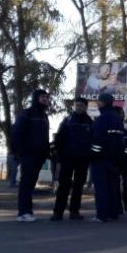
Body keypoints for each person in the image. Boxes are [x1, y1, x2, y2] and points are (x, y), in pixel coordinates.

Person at [50, 97, 93, 221]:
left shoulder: (90, 122)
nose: (78, 107)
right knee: (63, 185)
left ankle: (74, 212)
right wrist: (59, 155)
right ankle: (58, 212)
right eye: (77, 105)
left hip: (83, 159)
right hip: (67, 158)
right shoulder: (67, 120)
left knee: (78, 186)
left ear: (86, 107)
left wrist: (89, 155)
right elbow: (59, 139)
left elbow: (92, 140)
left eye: (81, 105)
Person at [12, 89, 51, 222]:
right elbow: (17, 133)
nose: (45, 99)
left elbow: (44, 136)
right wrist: (18, 151)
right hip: (28, 154)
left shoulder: (44, 116)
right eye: (42, 97)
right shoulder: (26, 114)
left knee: (31, 184)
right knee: (26, 183)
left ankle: (28, 211)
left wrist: (47, 151)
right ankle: (23, 212)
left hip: (40, 155)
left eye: (46, 97)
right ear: (36, 98)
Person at [89, 93, 125, 222]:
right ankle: (112, 213)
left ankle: (101, 214)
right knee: (112, 186)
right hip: (113, 160)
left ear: (103, 103)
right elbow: (120, 141)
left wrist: (93, 154)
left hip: (100, 160)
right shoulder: (117, 119)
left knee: (101, 187)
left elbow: (97, 140)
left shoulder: (102, 119)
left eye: (98, 101)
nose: (97, 103)